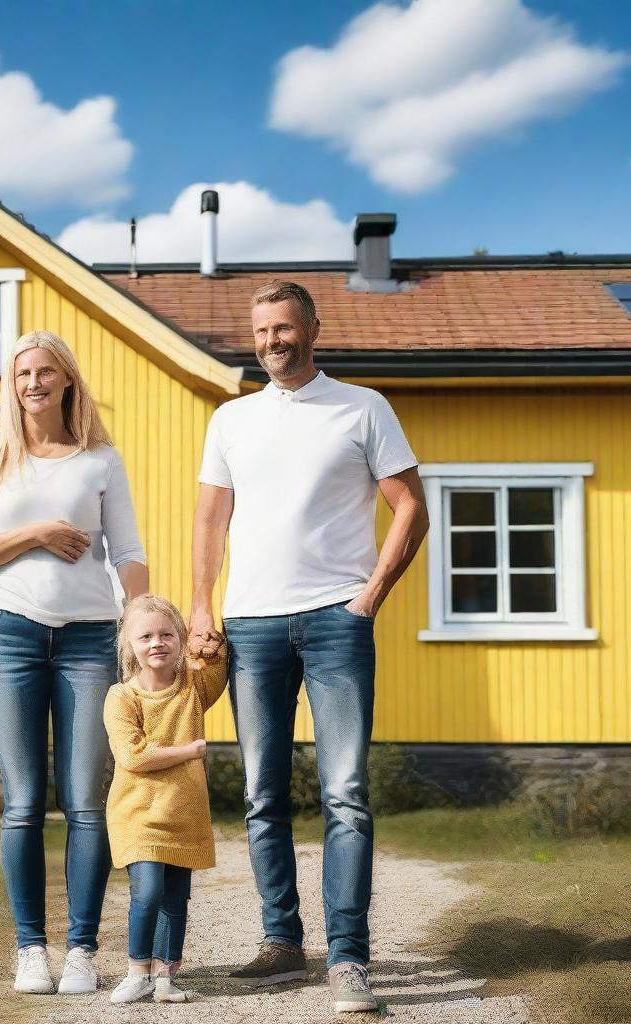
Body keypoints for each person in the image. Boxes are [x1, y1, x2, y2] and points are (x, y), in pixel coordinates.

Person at [188, 280, 429, 1014]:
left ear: (313, 330)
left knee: (345, 795)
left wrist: (368, 600)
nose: (272, 342)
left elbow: (411, 507)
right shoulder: (231, 420)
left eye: (285, 328)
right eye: (262, 331)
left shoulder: (363, 408)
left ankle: (349, 959)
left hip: (335, 621)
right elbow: (209, 523)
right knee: (262, 794)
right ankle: (282, 943)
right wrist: (202, 606)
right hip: (252, 626)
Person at [0, 330, 148, 997]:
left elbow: (128, 552)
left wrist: (144, 627)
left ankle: (84, 950)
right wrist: (35, 533)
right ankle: (31, 949)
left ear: (67, 380)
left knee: (86, 802)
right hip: (9, 636)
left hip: (91, 640)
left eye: (44, 371)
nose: (32, 382)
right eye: (21, 372)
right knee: (25, 802)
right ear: (12, 384)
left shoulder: (100, 462)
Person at [103, 594, 227, 1005]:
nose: (157, 642)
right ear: (130, 646)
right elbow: (133, 755)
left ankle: (165, 976)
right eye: (146, 636)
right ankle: (137, 970)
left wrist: (209, 640)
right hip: (137, 815)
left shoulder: (193, 687)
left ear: (179, 639)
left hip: (185, 814)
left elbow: (217, 663)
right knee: (148, 891)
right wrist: (189, 751)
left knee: (177, 897)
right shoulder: (122, 697)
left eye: (166, 634)